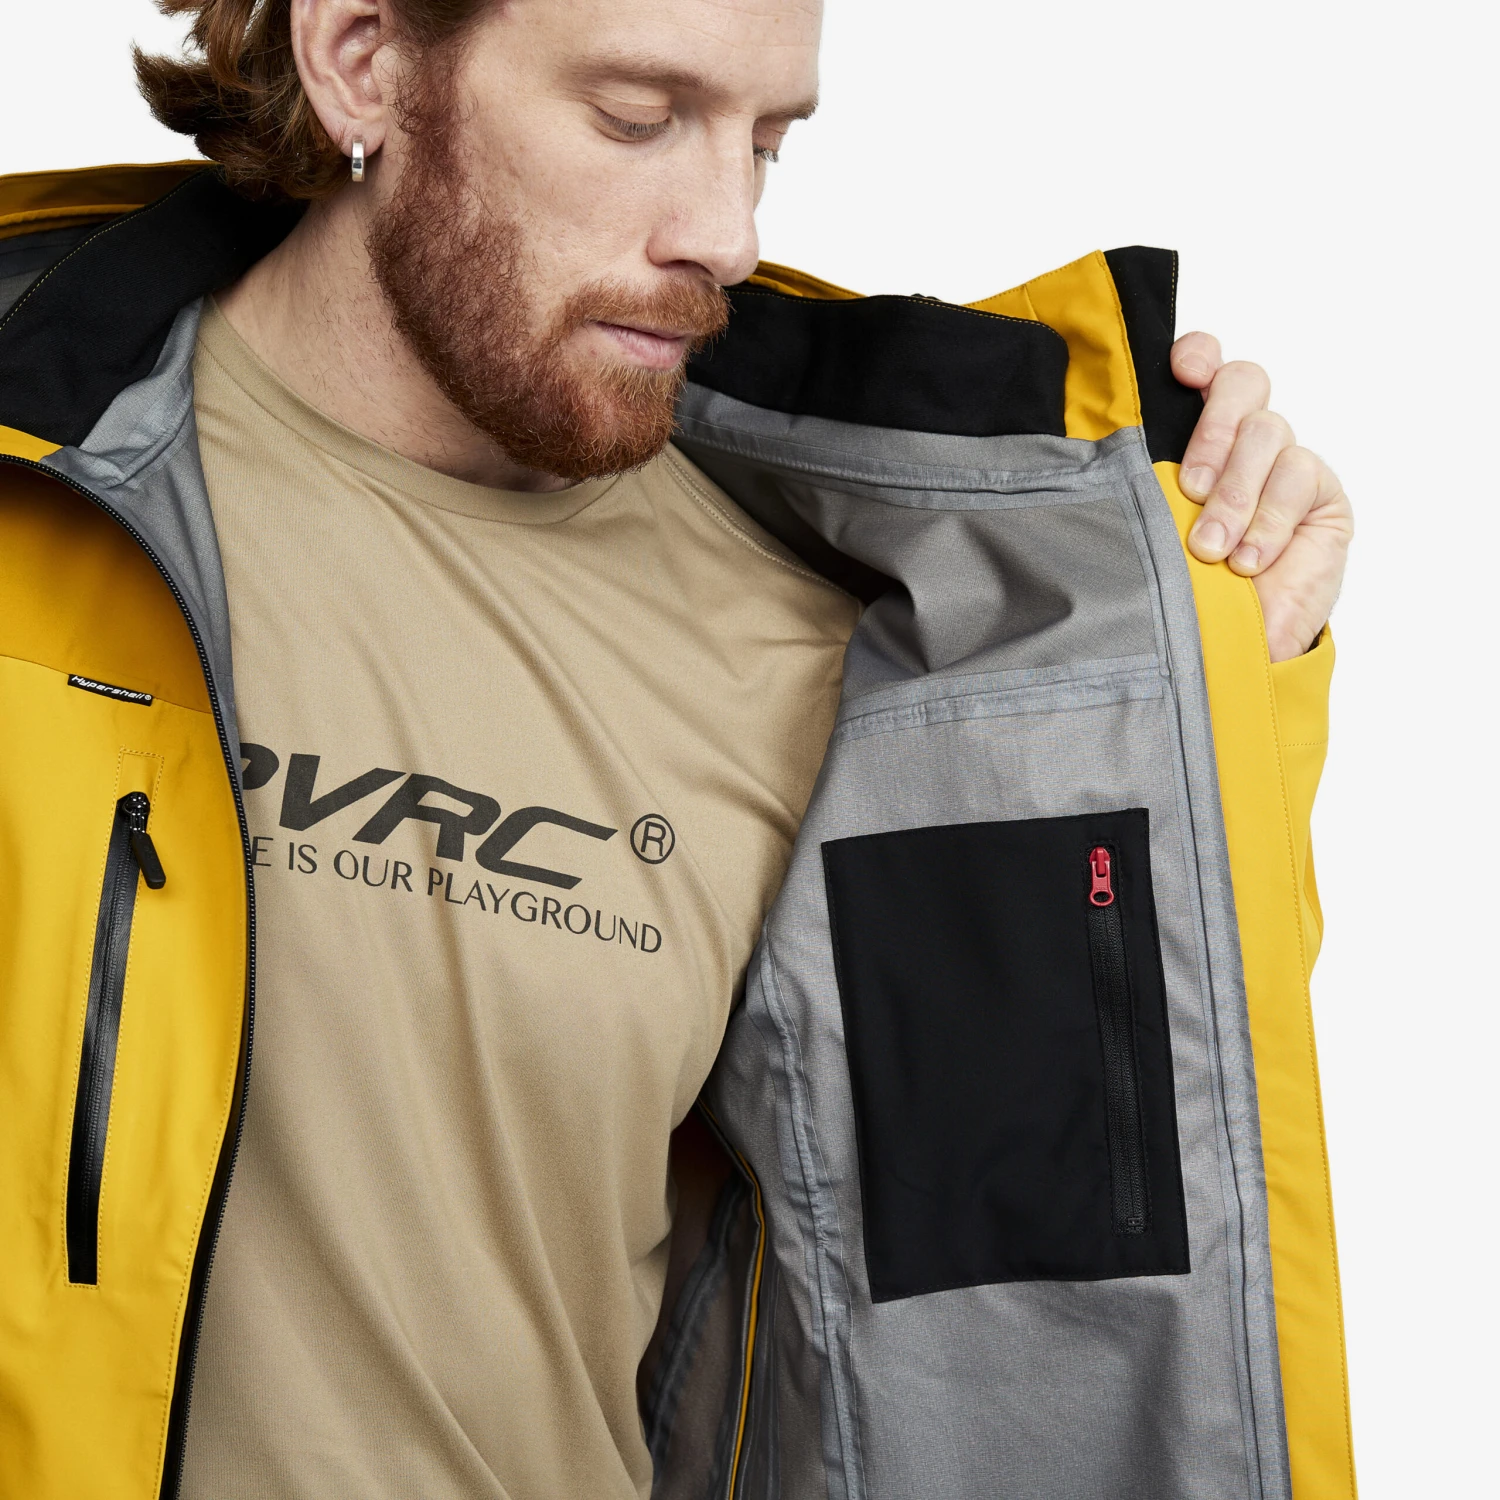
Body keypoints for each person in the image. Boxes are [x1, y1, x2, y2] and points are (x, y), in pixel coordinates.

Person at [0, 1, 1354, 1497]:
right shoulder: (30, 499)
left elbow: (1073, 1225)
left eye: (766, 143)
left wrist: (1215, 680)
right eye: (637, 119)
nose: (727, 235)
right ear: (363, 59)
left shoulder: (836, 654)